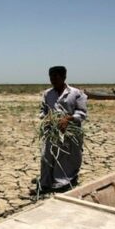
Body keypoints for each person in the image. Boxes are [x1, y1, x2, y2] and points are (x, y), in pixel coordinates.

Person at [32, 66, 88, 195]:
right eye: (51, 77)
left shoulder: (76, 93)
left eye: (56, 77)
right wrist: (46, 118)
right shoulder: (48, 94)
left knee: (67, 156)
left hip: (70, 131)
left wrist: (68, 119)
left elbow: (82, 113)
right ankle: (45, 183)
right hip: (52, 131)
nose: (53, 80)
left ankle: (63, 182)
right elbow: (43, 110)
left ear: (64, 77)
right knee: (47, 155)